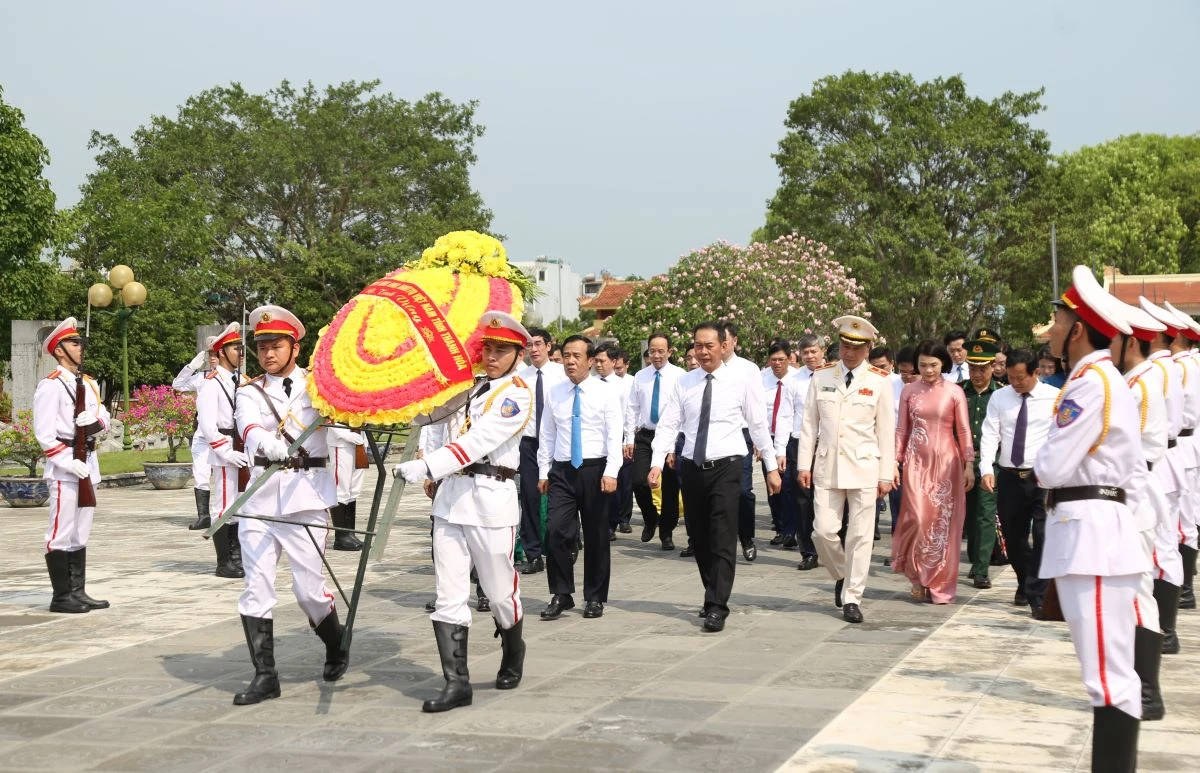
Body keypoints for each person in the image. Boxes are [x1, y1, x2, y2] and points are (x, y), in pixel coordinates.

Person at [393, 311, 532, 712]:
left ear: (516, 354)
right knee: (447, 593)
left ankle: (513, 645)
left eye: (500, 350)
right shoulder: (467, 388)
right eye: (487, 348)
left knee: (500, 592)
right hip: (452, 499)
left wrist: (428, 465)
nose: (491, 356)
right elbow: (430, 415)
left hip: (491, 499)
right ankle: (457, 683)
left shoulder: (516, 393)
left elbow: (478, 442)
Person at [1037, 265, 1147, 770]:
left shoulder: (1091, 384)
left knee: (1108, 676)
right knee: (1105, 671)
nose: (1052, 330)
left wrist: (1045, 458)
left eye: (1057, 321)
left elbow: (1051, 467)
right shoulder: (1097, 378)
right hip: (1094, 531)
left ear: (1077, 328)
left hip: (1094, 535)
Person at [231, 305, 347, 705]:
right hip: (260, 497)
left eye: (276, 346)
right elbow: (247, 426)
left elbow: (348, 421)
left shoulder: (319, 387)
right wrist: (267, 442)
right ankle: (265, 675)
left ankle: (335, 644)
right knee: (256, 586)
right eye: (262, 347)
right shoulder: (248, 390)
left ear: (294, 347)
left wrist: (339, 416)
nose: (268, 354)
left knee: (308, 591)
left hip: (305, 497)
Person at [648, 322, 781, 632]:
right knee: (700, 535)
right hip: (692, 466)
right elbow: (669, 423)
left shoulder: (741, 380)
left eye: (709, 345)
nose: (703, 351)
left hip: (728, 464)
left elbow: (758, 423)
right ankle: (713, 591)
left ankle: (717, 604)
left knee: (722, 533)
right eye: (698, 345)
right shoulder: (684, 383)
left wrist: (771, 466)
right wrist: (656, 461)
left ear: (724, 346)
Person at [797, 315, 896, 624]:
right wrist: (804, 464)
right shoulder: (822, 376)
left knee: (860, 536)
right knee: (823, 531)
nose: (849, 352)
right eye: (844, 346)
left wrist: (886, 473)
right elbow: (809, 424)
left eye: (857, 347)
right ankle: (842, 572)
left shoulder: (879, 381)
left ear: (867, 348)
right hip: (827, 465)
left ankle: (853, 596)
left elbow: (886, 431)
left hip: (865, 466)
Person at [1110, 299, 1177, 721]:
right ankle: (1141, 686)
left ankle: (1148, 693)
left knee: (1137, 591)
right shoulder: (1140, 378)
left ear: (1129, 343)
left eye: (1113, 338)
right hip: (1139, 483)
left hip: (1137, 489)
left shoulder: (1139, 384)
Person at [537, 336, 624, 619]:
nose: (570, 361)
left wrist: (612, 471)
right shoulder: (556, 392)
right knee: (556, 531)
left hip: (595, 470)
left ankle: (595, 596)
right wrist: (543, 470)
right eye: (566, 356)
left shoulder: (606, 393)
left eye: (577, 356)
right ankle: (562, 593)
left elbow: (614, 436)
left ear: (590, 360)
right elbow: (547, 434)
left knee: (597, 535)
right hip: (562, 471)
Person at [33, 317, 111, 614]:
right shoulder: (50, 386)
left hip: (88, 461)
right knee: (61, 531)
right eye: (75, 343)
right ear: (60, 350)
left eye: (80, 342)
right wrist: (67, 462)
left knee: (81, 532)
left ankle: (78, 591)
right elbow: (44, 434)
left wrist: (95, 423)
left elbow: (103, 418)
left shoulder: (88, 384)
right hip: (65, 466)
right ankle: (61, 595)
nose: (81, 348)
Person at [892, 341, 974, 604]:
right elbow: (902, 430)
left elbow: (963, 430)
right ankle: (917, 576)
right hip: (915, 462)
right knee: (916, 518)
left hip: (947, 465)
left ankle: (940, 583)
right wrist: (895, 461)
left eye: (934, 365)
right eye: (923, 365)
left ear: (943, 364)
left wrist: (969, 463)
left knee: (942, 525)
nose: (928, 370)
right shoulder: (908, 391)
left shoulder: (954, 392)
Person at [979, 348, 1059, 617]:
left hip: (1042, 477)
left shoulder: (1054, 398)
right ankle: (1024, 580)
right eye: (1011, 377)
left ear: (1036, 372)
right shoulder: (1000, 398)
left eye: (1021, 378)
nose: (1015, 383)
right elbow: (990, 433)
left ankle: (1037, 593)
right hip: (1010, 477)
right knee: (1013, 540)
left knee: (1044, 536)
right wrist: (986, 468)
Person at [1140, 296, 1192, 646]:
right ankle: (1164, 627)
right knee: (1168, 541)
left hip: (1162, 458)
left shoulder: (1158, 370)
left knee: (1162, 547)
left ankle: (1166, 630)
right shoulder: (1169, 367)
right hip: (1173, 454)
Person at [195, 323, 250, 578]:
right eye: (236, 348)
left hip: (242, 447)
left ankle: (237, 557)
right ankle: (224, 561)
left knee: (239, 505)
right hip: (225, 448)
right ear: (222, 351)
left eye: (241, 348)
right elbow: (207, 426)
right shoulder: (211, 383)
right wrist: (225, 452)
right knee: (224, 506)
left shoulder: (241, 380)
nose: (241, 353)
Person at [625, 332, 685, 549]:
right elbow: (632, 408)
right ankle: (650, 517)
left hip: (671, 436)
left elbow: (682, 414)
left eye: (661, 351)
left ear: (669, 351)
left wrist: (672, 448)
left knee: (669, 487)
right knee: (638, 481)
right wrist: (628, 438)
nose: (656, 355)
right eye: (653, 351)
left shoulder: (681, 376)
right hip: (645, 435)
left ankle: (666, 533)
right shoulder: (640, 376)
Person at [515, 328, 565, 575]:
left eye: (537, 344)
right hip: (529, 444)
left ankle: (563, 545)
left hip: (558, 443)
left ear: (548, 346)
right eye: (529, 345)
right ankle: (533, 554)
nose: (533, 349)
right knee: (531, 497)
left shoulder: (561, 374)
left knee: (561, 496)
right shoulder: (519, 378)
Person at [773, 335, 826, 569]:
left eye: (814, 351)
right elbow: (784, 415)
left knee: (828, 497)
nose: (810, 356)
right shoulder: (793, 381)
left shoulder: (835, 376)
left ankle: (833, 545)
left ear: (822, 351)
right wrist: (780, 450)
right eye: (805, 353)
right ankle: (808, 552)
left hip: (828, 445)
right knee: (802, 500)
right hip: (799, 445)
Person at [1162, 300, 1200, 611]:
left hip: (1182, 445)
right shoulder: (1186, 365)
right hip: (1185, 446)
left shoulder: (1181, 367)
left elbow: (1182, 418)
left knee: (1182, 522)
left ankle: (1185, 588)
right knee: (1184, 519)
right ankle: (1184, 586)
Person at [718, 320, 765, 562]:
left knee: (744, 491)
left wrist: (760, 440)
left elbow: (757, 408)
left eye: (725, 341)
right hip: (714, 438)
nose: (722, 346)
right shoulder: (705, 370)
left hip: (743, 435)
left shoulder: (749, 369)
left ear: (734, 341)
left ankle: (746, 537)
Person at [961, 338, 1002, 589]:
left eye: (982, 368)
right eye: (973, 368)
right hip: (962, 462)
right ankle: (976, 558)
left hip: (990, 463)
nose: (977, 374)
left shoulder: (1001, 393)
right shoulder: (959, 391)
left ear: (992, 367)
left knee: (986, 514)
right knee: (969, 516)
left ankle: (981, 569)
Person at [173, 347, 218, 530]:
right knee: (200, 473)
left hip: (222, 433)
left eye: (216, 355)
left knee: (227, 475)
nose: (213, 359)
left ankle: (229, 513)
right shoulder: (201, 377)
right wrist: (192, 366)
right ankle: (204, 516)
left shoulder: (234, 379)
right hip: (202, 433)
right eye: (211, 356)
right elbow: (178, 385)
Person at [594, 343, 634, 539]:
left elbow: (629, 414)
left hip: (618, 441)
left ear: (614, 361)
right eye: (596, 361)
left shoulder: (623, 385)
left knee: (620, 483)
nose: (598, 365)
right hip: (595, 443)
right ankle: (603, 524)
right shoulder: (591, 383)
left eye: (602, 361)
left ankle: (616, 521)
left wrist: (628, 439)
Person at [762, 341, 798, 547]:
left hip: (791, 440)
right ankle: (780, 526)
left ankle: (791, 530)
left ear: (790, 359)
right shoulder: (760, 379)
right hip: (768, 439)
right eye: (773, 360)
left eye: (781, 360)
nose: (777, 364)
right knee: (773, 486)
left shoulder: (797, 379)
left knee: (789, 485)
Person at [870, 346, 903, 542]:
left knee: (897, 497)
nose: (879, 371)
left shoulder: (901, 384)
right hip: (872, 445)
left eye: (883, 366)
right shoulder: (866, 383)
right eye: (874, 367)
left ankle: (898, 541)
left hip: (897, 446)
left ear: (892, 364)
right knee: (871, 492)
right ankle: (871, 528)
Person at [326, 426, 367, 551]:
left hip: (360, 438)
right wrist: (344, 434)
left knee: (354, 488)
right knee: (341, 487)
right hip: (341, 441)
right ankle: (341, 537)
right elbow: (328, 415)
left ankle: (350, 534)